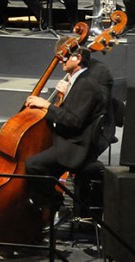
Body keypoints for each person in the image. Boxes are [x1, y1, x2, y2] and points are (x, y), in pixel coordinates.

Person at [25, 46, 107, 214]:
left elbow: (74, 120)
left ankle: (55, 202)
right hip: (66, 139)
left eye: (67, 57)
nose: (62, 60)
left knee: (33, 165)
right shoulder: (78, 81)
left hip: (74, 147)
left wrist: (47, 105)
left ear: (78, 59)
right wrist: (63, 96)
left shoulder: (86, 84)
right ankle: (44, 209)